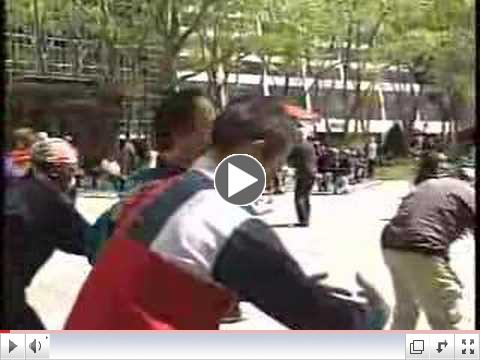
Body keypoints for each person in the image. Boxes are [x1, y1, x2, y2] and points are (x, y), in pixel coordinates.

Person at [66, 96, 390, 330]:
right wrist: (372, 316)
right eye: (278, 162)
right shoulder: (223, 221)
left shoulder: (153, 192)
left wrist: (279, 284)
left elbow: (164, 273)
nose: (274, 174)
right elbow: (319, 320)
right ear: (257, 150)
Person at [3, 138, 91, 329]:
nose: (77, 173)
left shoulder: (19, 189)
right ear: (55, 170)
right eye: (72, 167)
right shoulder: (49, 202)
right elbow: (92, 243)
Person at [381, 156, 475, 329]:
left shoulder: (427, 186)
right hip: (421, 247)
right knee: (445, 313)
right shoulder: (469, 193)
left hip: (391, 244)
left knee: (406, 311)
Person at [287, 132, 317, 227]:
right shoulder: (310, 146)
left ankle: (303, 220)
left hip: (303, 173)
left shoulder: (296, 147)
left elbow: (289, 158)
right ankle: (306, 219)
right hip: (312, 172)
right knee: (306, 196)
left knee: (299, 197)